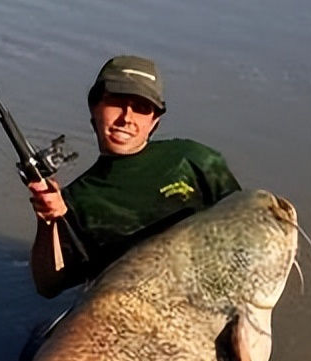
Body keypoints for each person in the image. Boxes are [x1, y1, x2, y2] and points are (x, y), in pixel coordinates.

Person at [26, 55, 241, 299]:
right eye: (116, 102)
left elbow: (245, 225)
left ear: (154, 122)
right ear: (94, 107)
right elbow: (48, 286)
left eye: (141, 108)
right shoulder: (75, 200)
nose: (127, 118)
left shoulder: (194, 160)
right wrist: (47, 222)